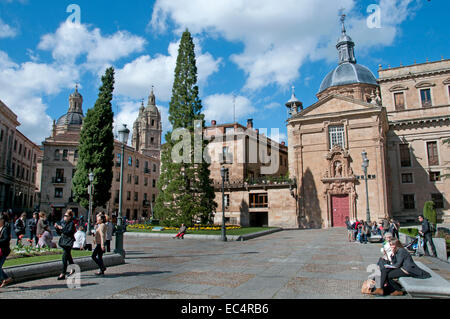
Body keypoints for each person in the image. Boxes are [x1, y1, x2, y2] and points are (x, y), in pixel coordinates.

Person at [54, 209, 77, 280]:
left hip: (69, 242)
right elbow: (60, 233)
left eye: (66, 215)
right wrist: (57, 228)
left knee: (64, 257)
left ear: (70, 217)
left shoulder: (71, 223)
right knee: (68, 256)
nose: (65, 217)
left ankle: (63, 273)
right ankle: (73, 269)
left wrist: (62, 228)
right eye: (64, 215)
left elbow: (69, 232)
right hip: (64, 241)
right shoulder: (64, 223)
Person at [0, 213, 13, 288]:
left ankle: (6, 278)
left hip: (4, 251)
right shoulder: (1, 228)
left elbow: (6, 239)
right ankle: (6, 279)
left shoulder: (5, 228)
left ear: (2, 220)